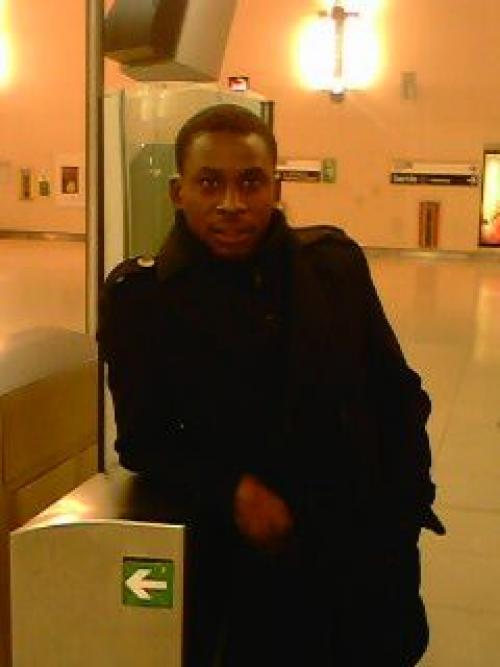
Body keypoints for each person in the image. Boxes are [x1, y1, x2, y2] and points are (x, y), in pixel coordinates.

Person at [98, 104, 444, 666]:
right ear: (178, 192)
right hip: (244, 566)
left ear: (276, 188)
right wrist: (231, 490)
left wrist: (406, 509)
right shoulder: (143, 301)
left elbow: (396, 393)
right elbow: (143, 440)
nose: (231, 203)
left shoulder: (332, 269)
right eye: (210, 183)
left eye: (250, 182)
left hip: (358, 549)